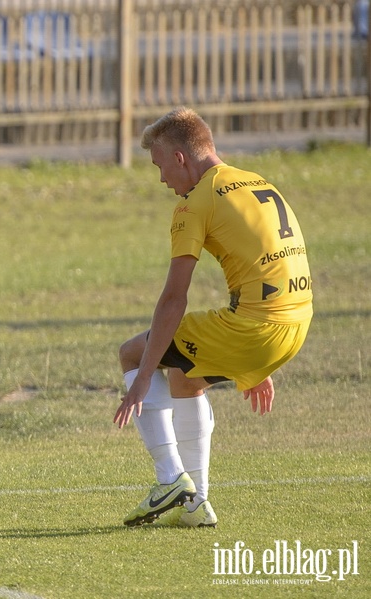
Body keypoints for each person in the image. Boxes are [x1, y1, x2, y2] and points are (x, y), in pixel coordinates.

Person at [113, 107, 312, 528]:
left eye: (160, 165)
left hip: (257, 328)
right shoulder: (257, 182)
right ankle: (195, 506)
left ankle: (170, 479)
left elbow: (173, 298)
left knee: (133, 353)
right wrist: (256, 359)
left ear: (181, 158)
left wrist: (144, 375)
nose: (162, 179)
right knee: (187, 375)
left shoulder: (195, 202)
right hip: (295, 324)